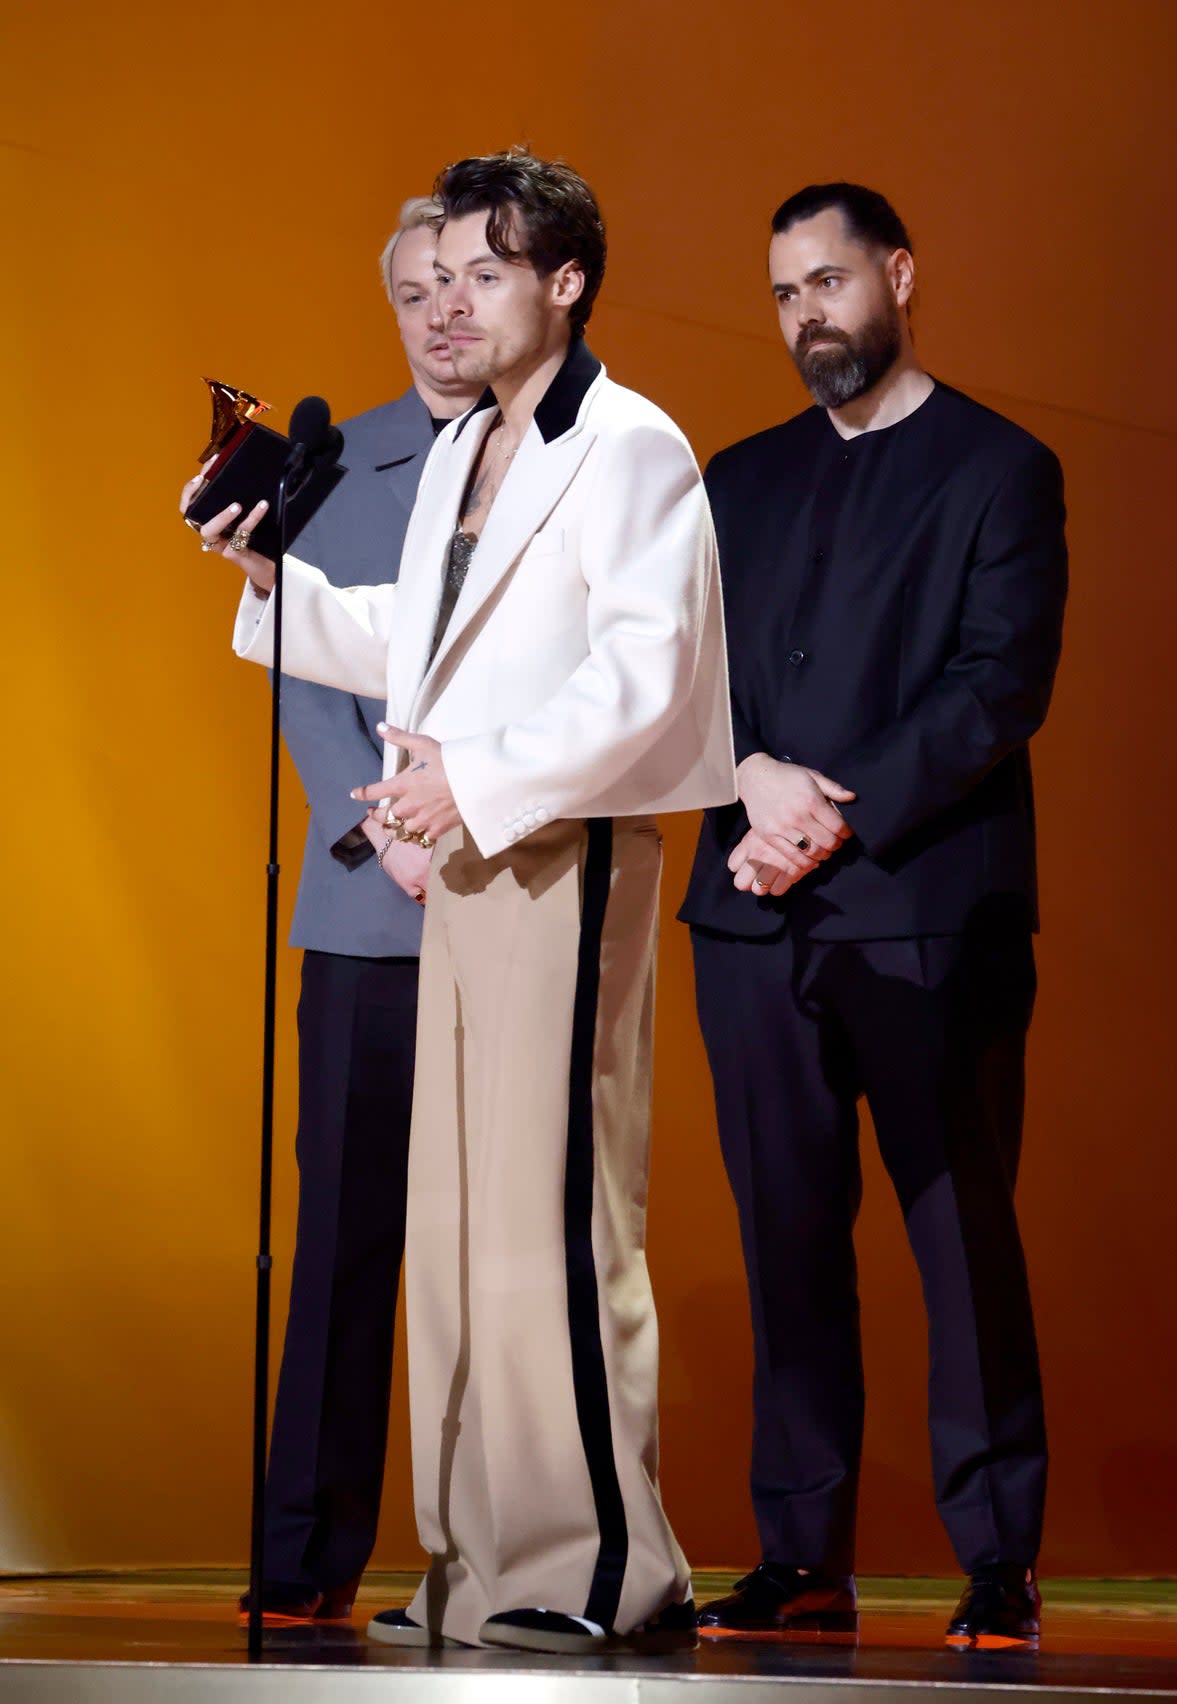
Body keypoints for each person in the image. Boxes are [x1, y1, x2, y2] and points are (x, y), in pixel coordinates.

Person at [203, 149, 735, 1654]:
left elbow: (649, 679)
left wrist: (476, 780)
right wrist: (261, 577)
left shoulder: (630, 445)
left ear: (566, 283)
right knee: (456, 1226)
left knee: (549, 1218)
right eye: (445, 273)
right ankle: (478, 1561)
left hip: (560, 849)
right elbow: (413, 641)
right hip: (473, 857)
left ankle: (598, 1569)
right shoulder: (462, 453)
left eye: (489, 272)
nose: (458, 299)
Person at [680, 182, 1067, 1649]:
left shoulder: (999, 466)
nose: (807, 316)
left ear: (898, 273)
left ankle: (996, 1556)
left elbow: (997, 686)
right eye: (784, 293)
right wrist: (755, 779)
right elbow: (688, 678)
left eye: (830, 282)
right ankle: (803, 1556)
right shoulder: (738, 479)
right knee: (788, 1241)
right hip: (752, 926)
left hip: (925, 914)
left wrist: (825, 813)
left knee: (958, 1235)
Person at [181, 197, 480, 1622]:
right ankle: (302, 1564)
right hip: (370, 909)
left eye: (463, 283)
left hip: (521, 898)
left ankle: (501, 1560)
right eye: (414, 291)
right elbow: (309, 671)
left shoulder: (561, 464)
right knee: (347, 1242)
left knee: (505, 1260)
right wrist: (392, 839)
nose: (440, 313)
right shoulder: (334, 462)